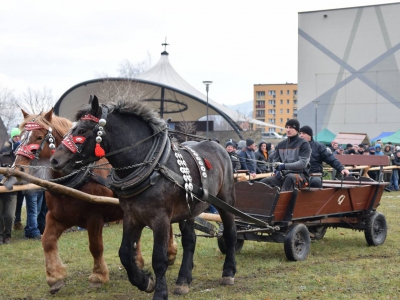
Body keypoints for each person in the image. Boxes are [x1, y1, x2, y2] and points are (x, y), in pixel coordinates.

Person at [260, 119, 311, 191]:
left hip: (300, 176)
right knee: (264, 183)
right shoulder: (281, 144)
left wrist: (284, 166)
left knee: (289, 179)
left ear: (297, 130)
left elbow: (303, 163)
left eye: (291, 128)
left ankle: (281, 201)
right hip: (283, 175)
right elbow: (275, 160)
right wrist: (276, 171)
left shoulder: (304, 144)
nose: (288, 130)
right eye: (286, 127)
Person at [0, 128, 22, 244]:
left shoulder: (22, 155)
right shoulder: (3, 152)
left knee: (9, 216)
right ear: (12, 138)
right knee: (0, 215)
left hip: (12, 190)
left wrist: (10, 183)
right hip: (0, 190)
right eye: (15, 136)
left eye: (19, 136)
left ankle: (7, 236)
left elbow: (21, 173)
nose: (17, 138)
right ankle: (0, 236)